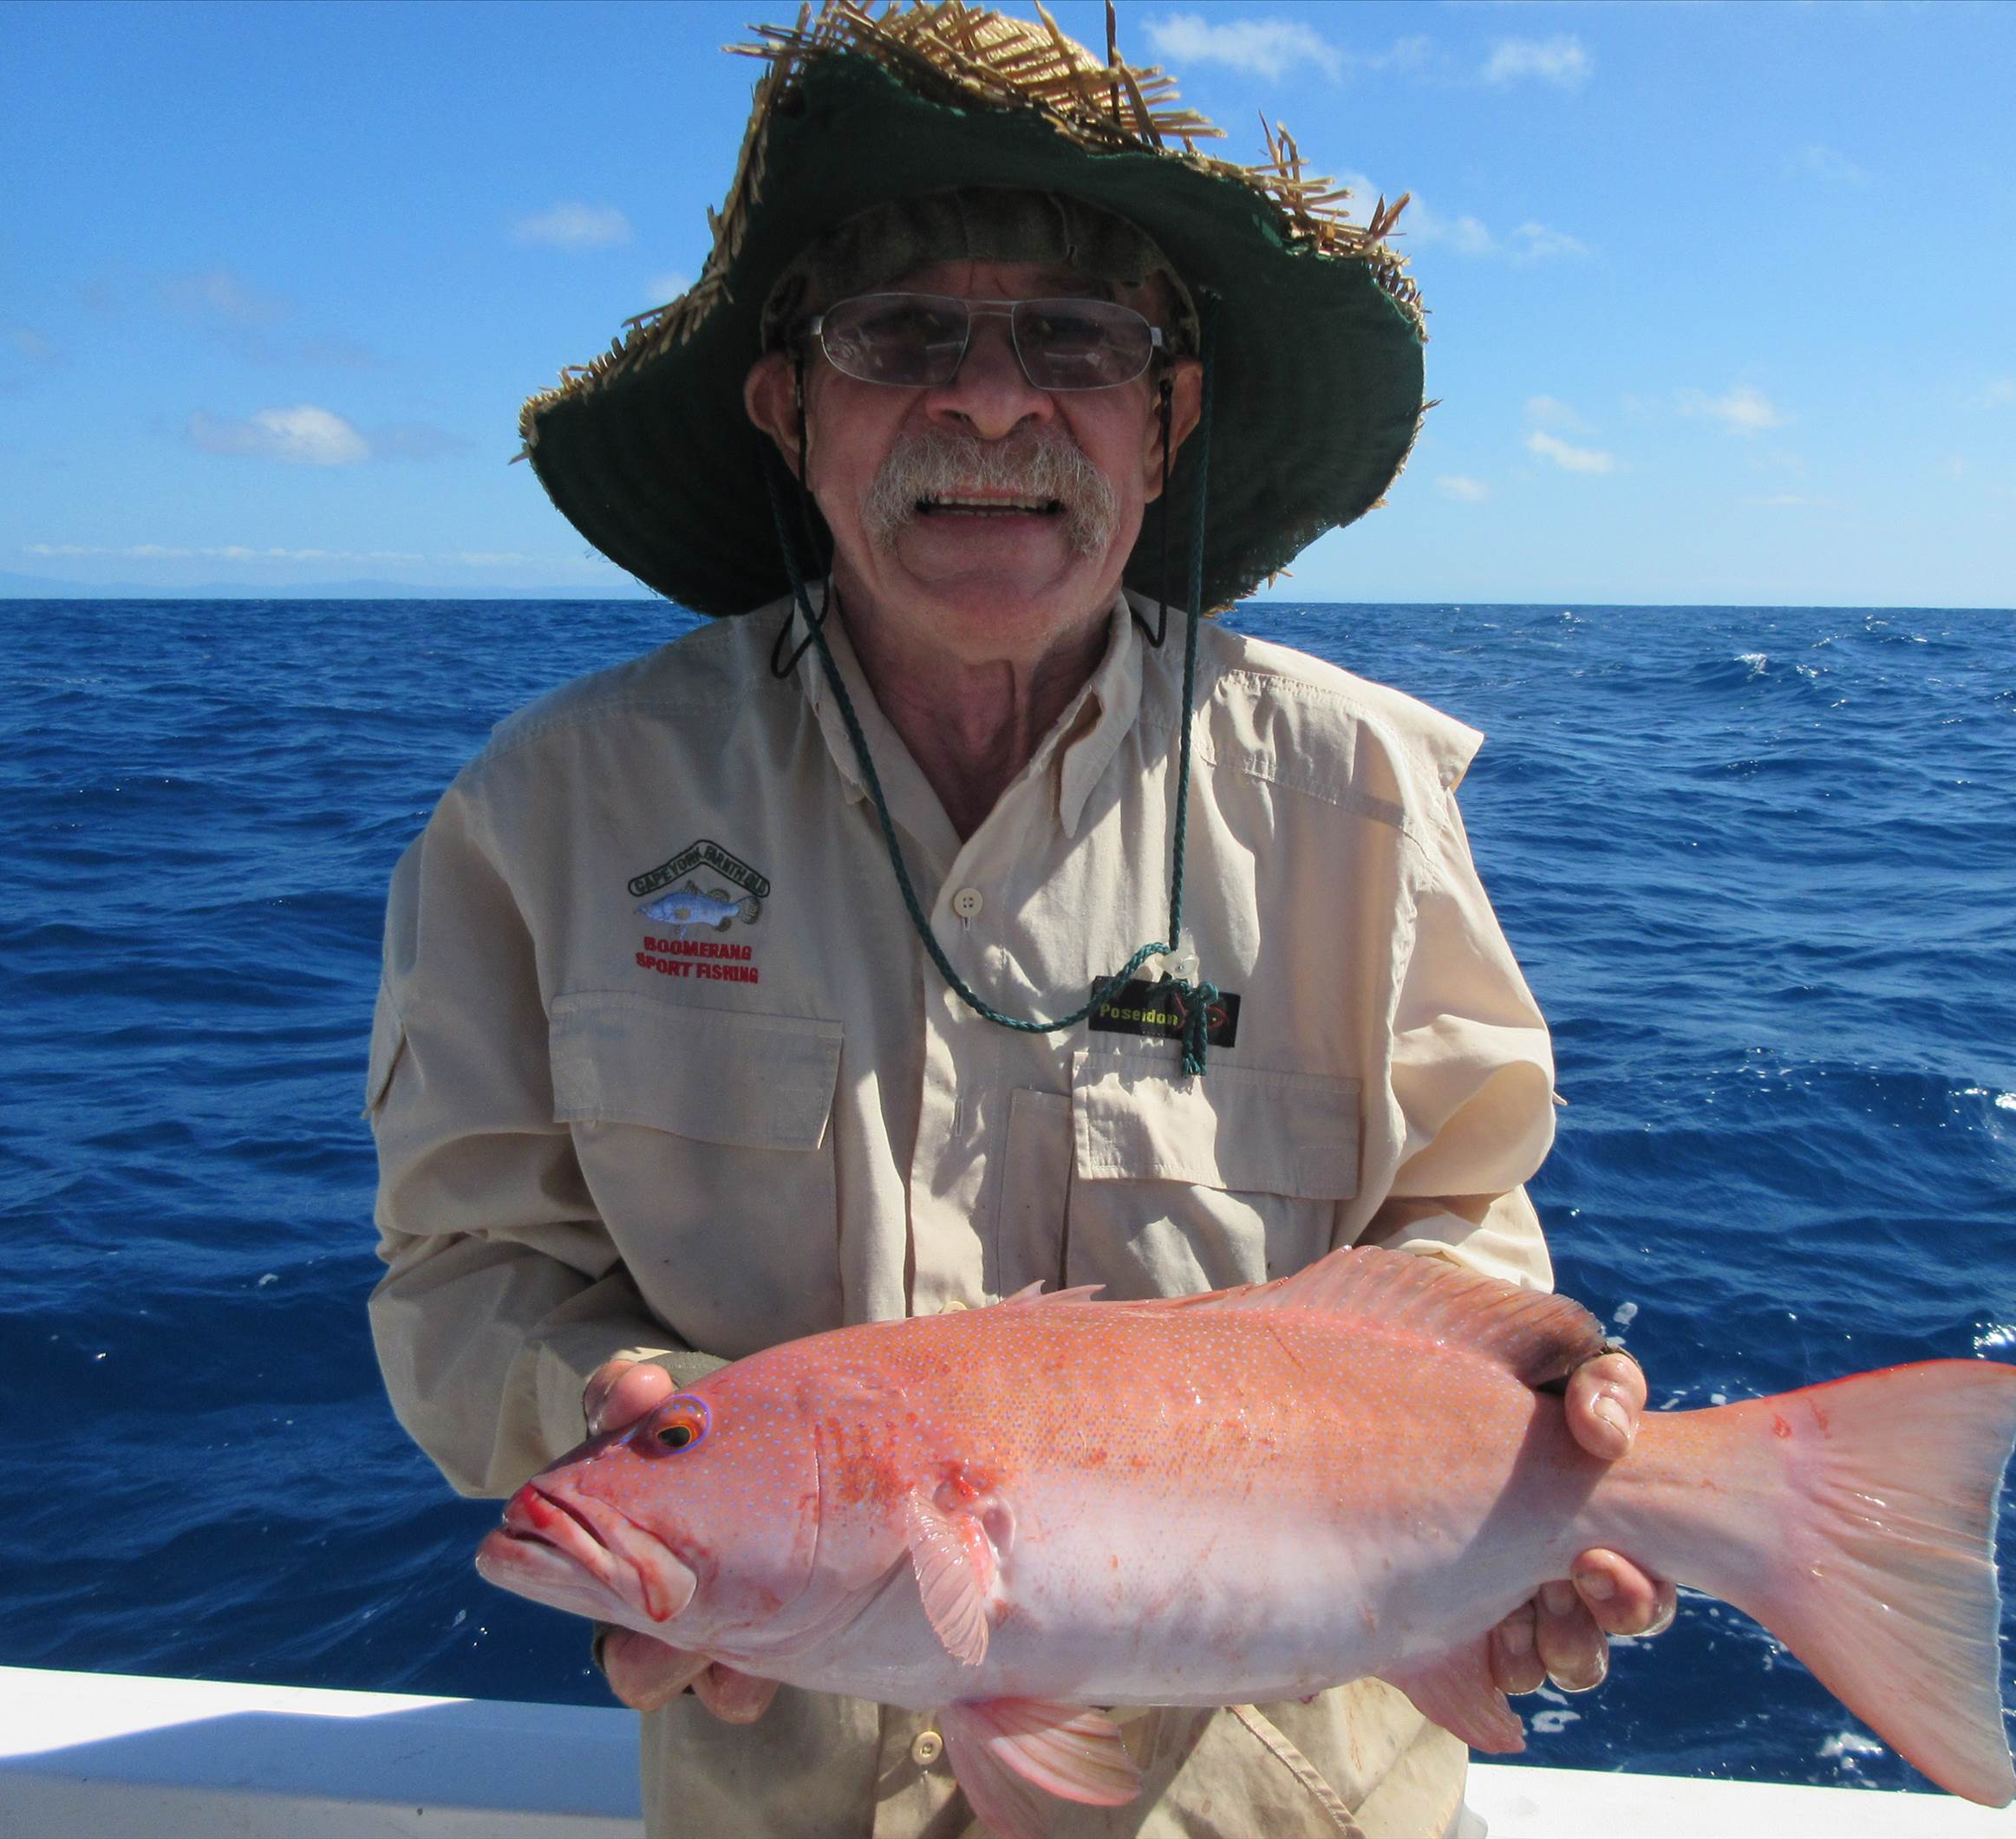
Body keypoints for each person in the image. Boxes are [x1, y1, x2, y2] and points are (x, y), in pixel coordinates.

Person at [366, 5, 1672, 1834]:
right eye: (902, 337)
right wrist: (635, 1428)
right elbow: (462, 1271)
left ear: (1167, 418)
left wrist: (1521, 1473)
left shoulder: (1360, 793)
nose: (990, 401)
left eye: (1074, 339)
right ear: (787, 404)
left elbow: (1456, 1224)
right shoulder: (546, 813)